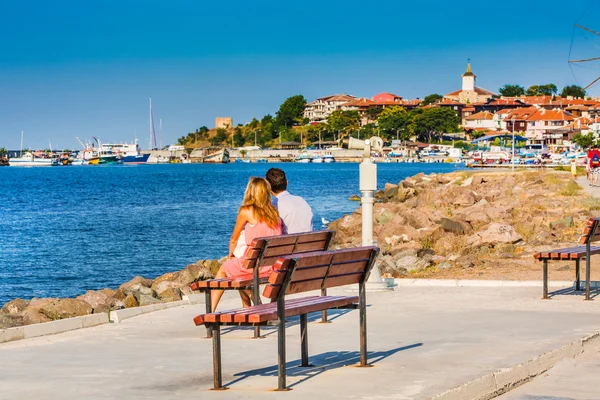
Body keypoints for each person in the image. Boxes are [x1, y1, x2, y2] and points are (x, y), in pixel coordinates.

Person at [210, 177, 282, 312]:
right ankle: (247, 307)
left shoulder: (247, 210)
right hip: (270, 265)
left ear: (250, 192)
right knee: (238, 267)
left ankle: (210, 311)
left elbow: (234, 238)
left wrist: (230, 254)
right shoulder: (275, 213)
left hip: (254, 265)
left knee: (225, 269)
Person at [266, 168, 313, 234]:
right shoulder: (301, 200)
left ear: (268, 187)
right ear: (287, 183)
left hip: (288, 243)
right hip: (309, 243)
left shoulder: (274, 205)